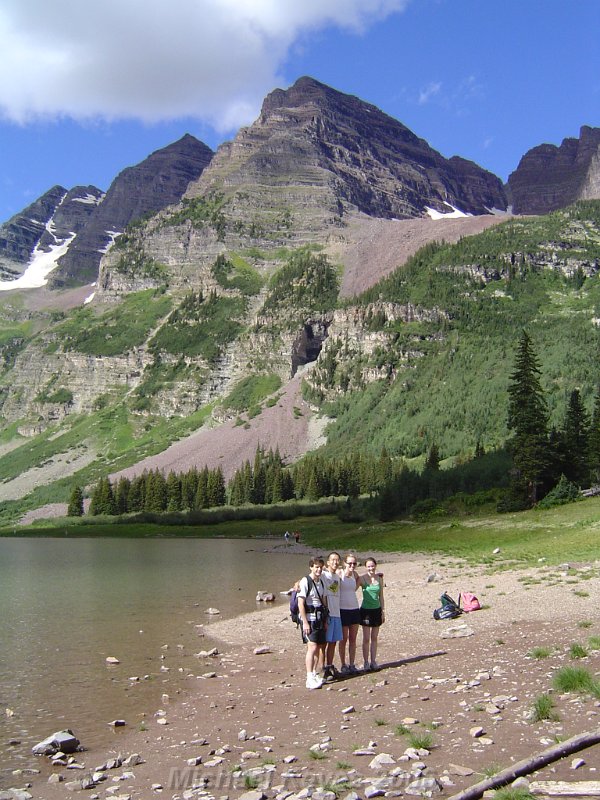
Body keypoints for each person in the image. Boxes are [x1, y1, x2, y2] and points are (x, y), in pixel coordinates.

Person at [297, 556, 328, 689]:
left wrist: (326, 620)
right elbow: (300, 603)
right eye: (316, 567)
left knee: (320, 647)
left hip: (320, 619)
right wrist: (305, 622)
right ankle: (309, 677)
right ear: (311, 567)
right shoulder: (305, 581)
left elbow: (324, 601)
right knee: (312, 647)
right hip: (309, 619)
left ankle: (314, 673)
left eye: (321, 567)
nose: (319, 570)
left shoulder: (321, 582)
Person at [358, 556, 385, 671]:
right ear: (365, 567)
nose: (371, 568)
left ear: (375, 566)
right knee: (366, 638)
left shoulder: (379, 579)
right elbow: (350, 587)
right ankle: (365, 662)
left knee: (374, 637)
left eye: (372, 566)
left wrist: (383, 611)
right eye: (368, 566)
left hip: (376, 610)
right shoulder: (362, 579)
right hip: (365, 611)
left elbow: (381, 596)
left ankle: (373, 661)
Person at [320, 552, 343, 681]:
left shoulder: (337, 577)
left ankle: (329, 666)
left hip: (337, 614)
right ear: (328, 562)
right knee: (324, 643)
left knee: (333, 642)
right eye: (333, 560)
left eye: (337, 560)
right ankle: (321, 668)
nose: (335, 562)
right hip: (327, 614)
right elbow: (309, 577)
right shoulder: (323, 575)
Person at [338, 552, 361, 673]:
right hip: (342, 610)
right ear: (344, 563)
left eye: (354, 563)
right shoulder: (339, 573)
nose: (352, 565)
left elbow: (359, 582)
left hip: (354, 609)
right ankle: (343, 664)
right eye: (349, 563)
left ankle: (352, 664)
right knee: (343, 639)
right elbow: (330, 583)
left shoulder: (355, 574)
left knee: (353, 639)